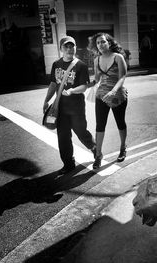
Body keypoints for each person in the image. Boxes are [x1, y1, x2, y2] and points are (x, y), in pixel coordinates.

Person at [43, 36, 96, 174]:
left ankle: (95, 148)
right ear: (61, 49)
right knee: (63, 137)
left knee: (81, 132)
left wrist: (72, 90)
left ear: (75, 47)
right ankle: (68, 164)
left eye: (72, 46)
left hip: (76, 108)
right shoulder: (56, 64)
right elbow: (53, 84)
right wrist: (46, 100)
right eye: (66, 46)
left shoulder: (81, 65)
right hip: (60, 108)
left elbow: (84, 86)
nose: (69, 49)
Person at [87, 32, 128, 169]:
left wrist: (113, 91)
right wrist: (87, 84)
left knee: (120, 123)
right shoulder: (96, 60)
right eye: (98, 43)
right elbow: (97, 79)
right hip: (101, 96)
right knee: (100, 125)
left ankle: (123, 147)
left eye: (103, 42)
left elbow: (122, 77)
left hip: (117, 95)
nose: (100, 44)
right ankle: (98, 155)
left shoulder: (118, 57)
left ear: (109, 43)